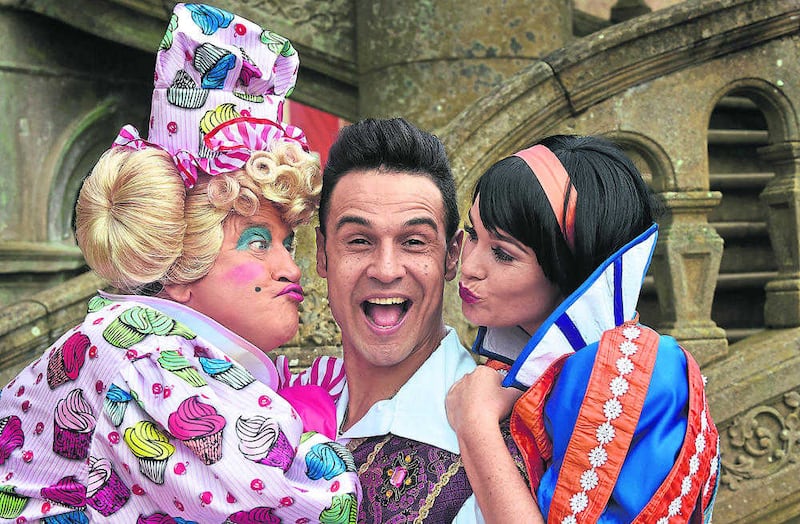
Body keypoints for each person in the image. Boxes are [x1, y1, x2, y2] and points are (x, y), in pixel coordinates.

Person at [0, 4, 359, 522]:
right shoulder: (145, 359)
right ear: (178, 263)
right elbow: (319, 510)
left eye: (288, 242)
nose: (290, 267)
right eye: (257, 242)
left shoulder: (139, 340)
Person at [446, 135, 720, 523]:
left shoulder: (638, 371)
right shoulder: (522, 372)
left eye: (504, 253)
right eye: (473, 233)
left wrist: (476, 426)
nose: (469, 266)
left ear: (571, 271)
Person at [308, 117, 525, 522]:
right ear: (323, 254)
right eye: (359, 240)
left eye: (413, 242)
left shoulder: (505, 445)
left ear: (452, 255)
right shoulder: (285, 403)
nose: (386, 269)